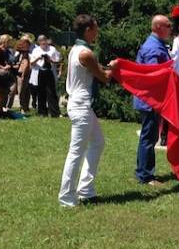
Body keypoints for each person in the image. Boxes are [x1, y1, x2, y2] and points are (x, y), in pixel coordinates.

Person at [58, 14, 116, 207]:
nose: (97, 32)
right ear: (88, 30)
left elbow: (97, 69)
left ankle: (86, 190)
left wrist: (108, 68)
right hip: (81, 106)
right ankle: (66, 197)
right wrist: (115, 69)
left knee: (98, 143)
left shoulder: (77, 49)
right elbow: (104, 77)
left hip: (82, 105)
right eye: (95, 29)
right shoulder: (85, 53)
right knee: (76, 152)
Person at [133, 15, 172, 186]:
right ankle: (146, 176)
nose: (170, 28)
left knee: (148, 136)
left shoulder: (156, 45)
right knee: (149, 138)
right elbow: (153, 75)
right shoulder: (153, 48)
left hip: (151, 100)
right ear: (158, 27)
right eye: (167, 25)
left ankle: (142, 171)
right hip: (150, 101)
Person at [31, 35, 61, 117]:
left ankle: (54, 112)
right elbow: (32, 62)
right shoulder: (36, 50)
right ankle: (42, 112)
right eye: (41, 41)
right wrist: (38, 58)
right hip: (40, 72)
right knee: (41, 93)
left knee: (51, 92)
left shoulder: (52, 49)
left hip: (50, 71)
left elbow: (58, 61)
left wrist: (50, 60)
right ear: (39, 42)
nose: (43, 42)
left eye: (44, 40)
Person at [0, 34, 14, 119]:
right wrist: (3, 67)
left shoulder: (7, 50)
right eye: (8, 41)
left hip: (6, 72)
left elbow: (8, 60)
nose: (9, 43)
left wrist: (9, 65)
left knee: (5, 91)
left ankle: (1, 108)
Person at [14, 38, 32, 113]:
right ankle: (24, 107)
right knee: (23, 91)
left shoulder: (26, 54)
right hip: (22, 74)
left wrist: (23, 75)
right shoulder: (20, 54)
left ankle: (24, 107)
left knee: (24, 91)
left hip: (24, 74)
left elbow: (26, 65)